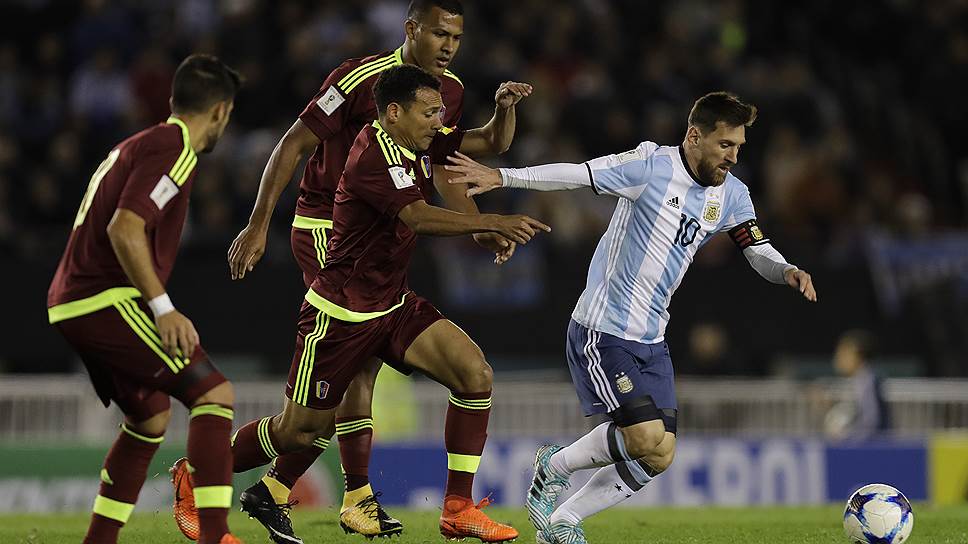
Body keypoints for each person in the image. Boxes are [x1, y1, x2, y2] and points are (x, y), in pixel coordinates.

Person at [446, 91, 818, 544]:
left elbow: (756, 248)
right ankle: (554, 465)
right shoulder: (650, 165)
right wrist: (503, 176)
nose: (733, 157)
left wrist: (786, 270)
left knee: (661, 453)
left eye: (739, 147)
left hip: (652, 338)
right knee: (643, 436)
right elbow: (578, 175)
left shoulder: (733, 195)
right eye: (725, 145)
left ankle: (563, 521)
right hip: (603, 329)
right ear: (694, 136)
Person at [224, 0, 522, 539]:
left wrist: (475, 223)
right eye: (439, 33)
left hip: (387, 236)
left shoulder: (445, 94)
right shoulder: (359, 78)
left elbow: (448, 161)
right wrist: (258, 222)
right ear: (411, 30)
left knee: (398, 367)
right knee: (352, 368)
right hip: (330, 229)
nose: (449, 46)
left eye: (457, 36)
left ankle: (297, 490)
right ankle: (340, 492)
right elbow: (294, 144)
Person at [45, 54, 242, 544]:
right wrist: (163, 308)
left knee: (150, 417)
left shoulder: (138, 144)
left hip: (72, 299)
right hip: (103, 298)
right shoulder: (175, 148)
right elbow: (125, 227)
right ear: (221, 111)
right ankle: (216, 536)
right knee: (214, 395)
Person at [832, 329, 890, 438]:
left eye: (843, 354)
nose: (838, 358)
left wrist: (848, 437)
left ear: (857, 354)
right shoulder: (860, 379)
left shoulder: (867, 380)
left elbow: (871, 421)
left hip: (874, 444)